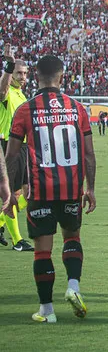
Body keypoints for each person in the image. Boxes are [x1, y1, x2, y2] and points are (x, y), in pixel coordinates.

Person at [4, 55, 96, 323]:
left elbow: (11, 156)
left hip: (40, 190)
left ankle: (47, 310)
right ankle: (73, 286)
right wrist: (90, 188)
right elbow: (88, 154)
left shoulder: (25, 110)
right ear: (62, 77)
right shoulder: (77, 108)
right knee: (72, 238)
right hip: (71, 188)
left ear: (36, 77)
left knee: (42, 250)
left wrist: (8, 191)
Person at [0, 44, 34, 251]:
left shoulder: (21, 95)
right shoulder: (7, 93)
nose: (22, 77)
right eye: (18, 73)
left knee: (29, 193)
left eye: (25, 73)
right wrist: (8, 65)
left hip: (23, 147)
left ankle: (1, 223)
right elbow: (1, 90)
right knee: (12, 195)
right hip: (9, 146)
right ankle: (17, 241)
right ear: (11, 75)